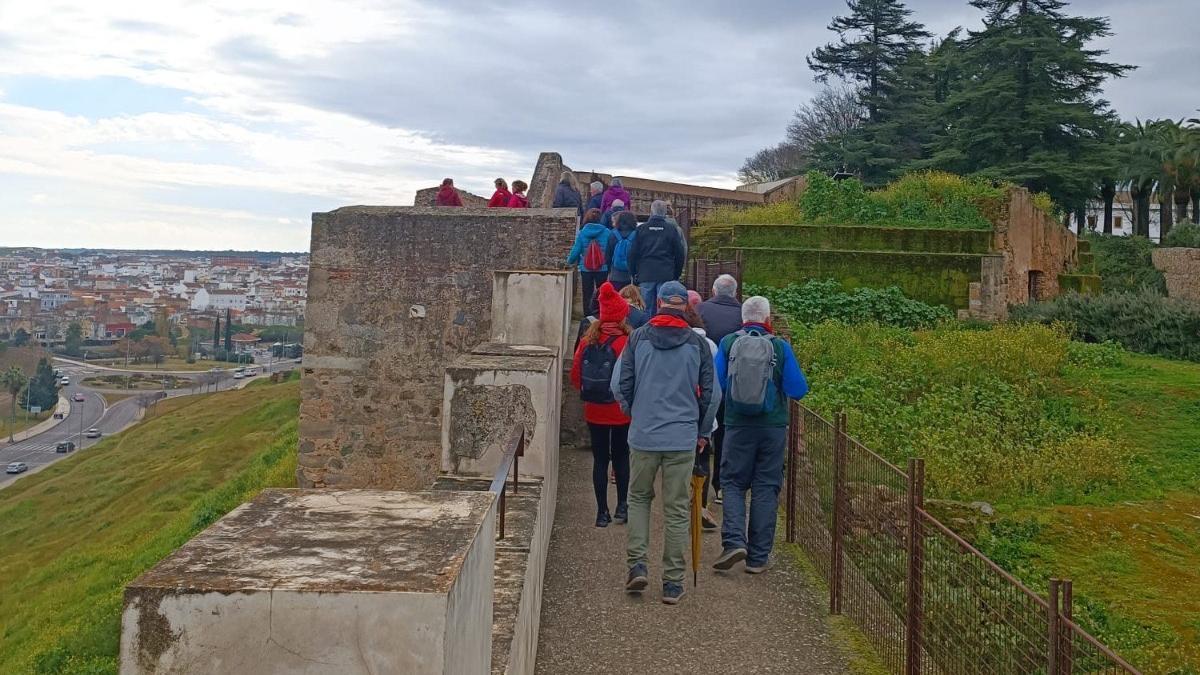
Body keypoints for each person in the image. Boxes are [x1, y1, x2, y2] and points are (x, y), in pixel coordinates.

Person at [614, 281, 720, 605]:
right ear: (685, 306)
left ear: (658, 302)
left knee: (638, 498)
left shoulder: (637, 339)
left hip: (644, 434)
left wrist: (636, 411)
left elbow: (619, 385)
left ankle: (637, 565)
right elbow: (713, 395)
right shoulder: (698, 345)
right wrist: (701, 431)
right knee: (676, 509)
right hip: (681, 437)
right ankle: (673, 583)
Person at [712, 296, 808, 575]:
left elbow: (717, 385)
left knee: (732, 482)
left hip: (737, 426)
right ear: (768, 320)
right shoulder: (780, 346)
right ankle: (757, 557)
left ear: (743, 318)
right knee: (766, 487)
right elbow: (798, 389)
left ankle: (733, 542)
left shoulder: (729, 343)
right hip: (772, 428)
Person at [571, 282, 632, 527]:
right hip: (620, 411)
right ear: (621, 315)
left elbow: (576, 377)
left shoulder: (588, 341)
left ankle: (601, 512)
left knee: (600, 460)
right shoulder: (628, 342)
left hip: (594, 410)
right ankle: (622, 506)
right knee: (621, 457)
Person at [697, 274, 742, 505]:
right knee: (725, 435)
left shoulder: (702, 309)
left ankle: (700, 484)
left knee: (704, 431)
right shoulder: (742, 314)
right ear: (734, 293)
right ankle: (721, 485)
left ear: (714, 291)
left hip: (705, 382)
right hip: (731, 384)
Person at [683, 303, 720, 531]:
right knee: (703, 461)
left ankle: (684, 503)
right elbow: (715, 389)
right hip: (705, 416)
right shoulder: (712, 345)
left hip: (681, 414)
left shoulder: (680, 344)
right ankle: (701, 505)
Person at [629, 200, 686, 313]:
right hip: (666, 273)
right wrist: (676, 273)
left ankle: (648, 329)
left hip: (646, 273)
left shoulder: (641, 229)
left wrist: (634, 273)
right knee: (664, 307)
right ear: (665, 212)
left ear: (651, 211)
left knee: (646, 308)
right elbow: (680, 253)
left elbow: (632, 253)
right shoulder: (671, 229)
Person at [566, 208, 613, 316]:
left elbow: (576, 250)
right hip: (602, 268)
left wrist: (568, 261)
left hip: (586, 268)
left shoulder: (582, 233)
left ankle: (588, 317)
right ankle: (601, 314)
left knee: (587, 293)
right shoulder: (607, 232)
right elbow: (611, 250)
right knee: (602, 293)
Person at [606, 211, 638, 290]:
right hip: (631, 276)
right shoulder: (636, 235)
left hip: (615, 274)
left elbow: (608, 255)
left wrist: (609, 270)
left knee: (615, 298)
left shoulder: (613, 234)